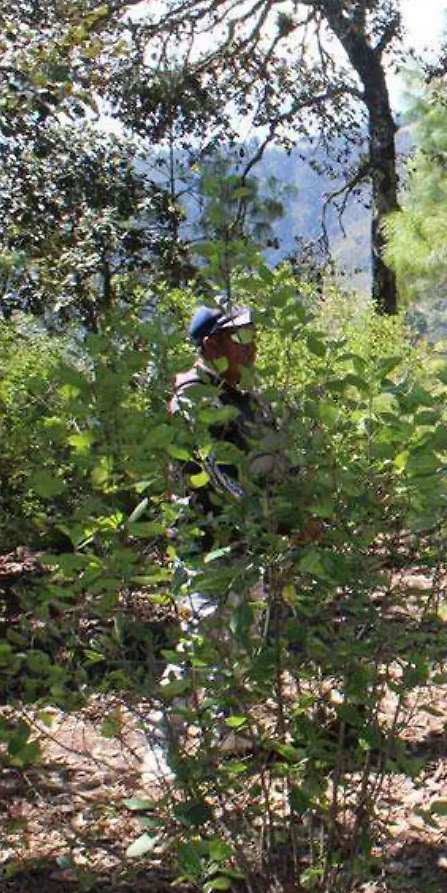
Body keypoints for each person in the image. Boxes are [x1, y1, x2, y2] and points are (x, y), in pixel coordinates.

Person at [147, 303, 287, 781]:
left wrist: (293, 507)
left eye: (253, 332)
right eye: (239, 335)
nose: (251, 344)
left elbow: (275, 460)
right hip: (204, 542)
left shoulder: (248, 397)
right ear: (210, 345)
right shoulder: (193, 395)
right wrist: (265, 515)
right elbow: (211, 468)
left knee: (242, 636)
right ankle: (162, 746)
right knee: (200, 642)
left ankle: (231, 738)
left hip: (249, 542)